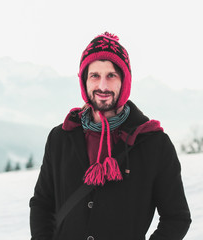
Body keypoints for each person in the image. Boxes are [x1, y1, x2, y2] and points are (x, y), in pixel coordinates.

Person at [29, 32, 191, 240]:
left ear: (124, 81)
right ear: (84, 81)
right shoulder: (60, 137)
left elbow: (177, 217)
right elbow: (42, 203)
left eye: (111, 75)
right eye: (95, 75)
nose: (103, 86)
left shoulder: (154, 143)